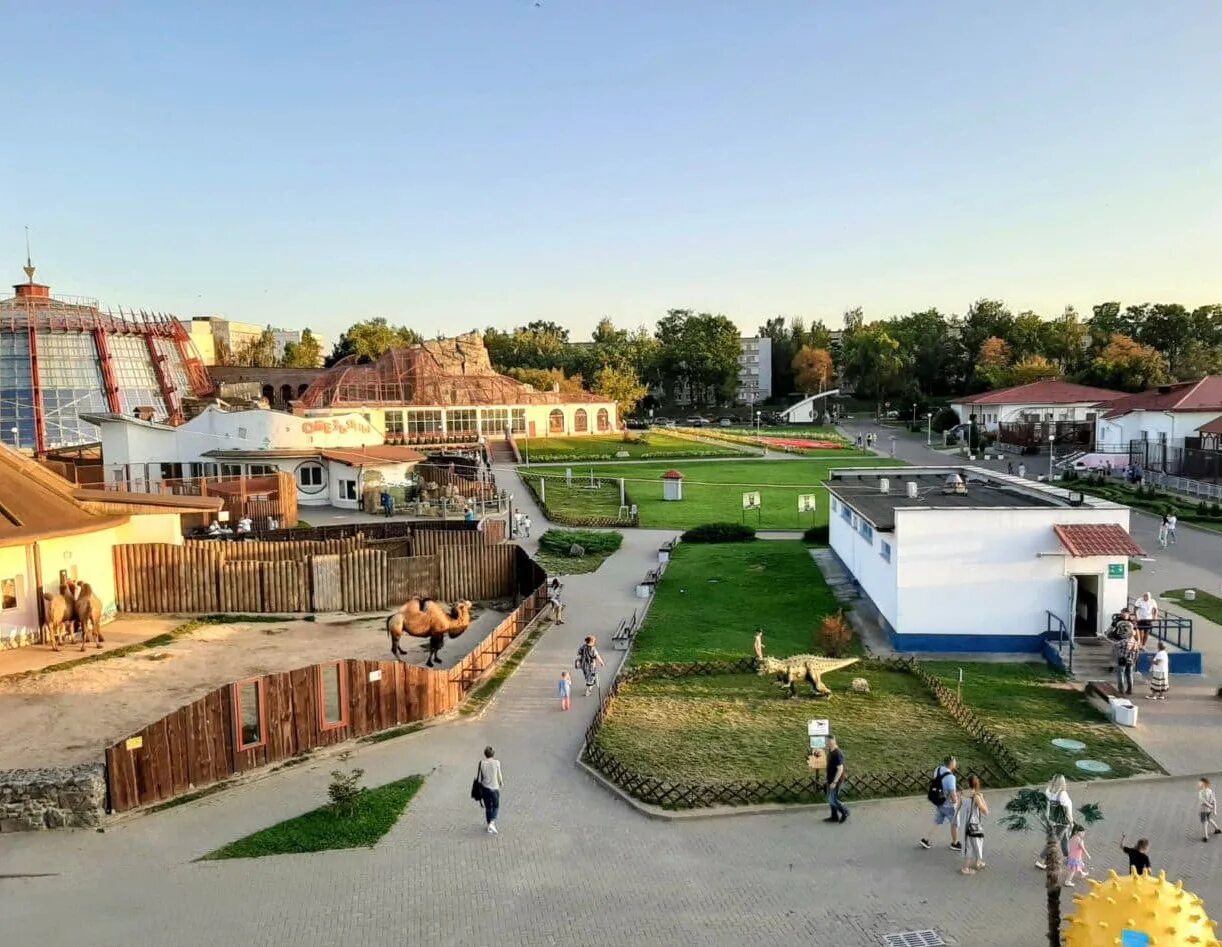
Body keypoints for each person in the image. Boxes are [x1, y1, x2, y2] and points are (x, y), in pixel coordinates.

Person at [919, 756, 961, 852]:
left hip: (938, 801)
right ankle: (955, 843)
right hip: (948, 805)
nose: (956, 764)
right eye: (955, 762)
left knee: (937, 821)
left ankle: (925, 839)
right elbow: (952, 794)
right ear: (951, 764)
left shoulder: (937, 769)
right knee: (954, 823)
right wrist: (956, 801)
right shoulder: (951, 777)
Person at [1035, 775, 1074, 869]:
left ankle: (1068, 857)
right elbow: (1066, 810)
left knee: (1064, 838)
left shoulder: (1049, 791)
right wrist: (1071, 821)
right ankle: (1042, 861)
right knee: (1054, 841)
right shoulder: (1062, 794)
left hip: (1053, 819)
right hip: (1062, 821)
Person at [959, 774, 989, 874]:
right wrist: (982, 798)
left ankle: (978, 862)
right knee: (973, 844)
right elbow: (985, 812)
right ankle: (966, 868)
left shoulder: (962, 793)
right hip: (974, 824)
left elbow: (959, 807)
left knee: (972, 843)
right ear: (977, 784)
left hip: (964, 823)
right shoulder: (976, 796)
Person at [476, 745, 503, 835]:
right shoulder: (497, 762)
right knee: (496, 806)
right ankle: (492, 822)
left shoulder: (482, 763)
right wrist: (501, 782)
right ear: (493, 754)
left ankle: (489, 826)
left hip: (485, 788)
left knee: (488, 807)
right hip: (494, 787)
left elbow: (480, 778)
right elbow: (499, 774)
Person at [823, 736, 848, 824]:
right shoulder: (831, 751)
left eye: (829, 742)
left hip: (836, 780)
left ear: (833, 741)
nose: (827, 744)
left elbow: (840, 769)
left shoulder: (837, 753)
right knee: (831, 799)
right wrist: (827, 778)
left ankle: (845, 812)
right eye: (826, 742)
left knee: (832, 800)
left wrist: (834, 782)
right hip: (830, 779)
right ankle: (834, 817)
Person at [1113, 622, 1140, 695]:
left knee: (1121, 674)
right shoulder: (1135, 642)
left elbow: (1115, 645)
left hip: (1122, 660)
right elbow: (1137, 653)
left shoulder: (1124, 641)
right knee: (1130, 675)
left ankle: (1121, 689)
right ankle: (1129, 689)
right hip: (1131, 661)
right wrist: (1134, 661)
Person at [1199, 777, 1221, 842]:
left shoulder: (1200, 792)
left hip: (1203, 810)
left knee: (1204, 823)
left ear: (1204, 784)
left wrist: (1210, 806)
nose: (1199, 784)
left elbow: (1203, 801)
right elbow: (1214, 800)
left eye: (1200, 783)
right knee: (1209, 819)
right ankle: (1217, 829)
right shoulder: (1210, 791)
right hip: (1209, 810)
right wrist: (1214, 810)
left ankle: (1206, 837)